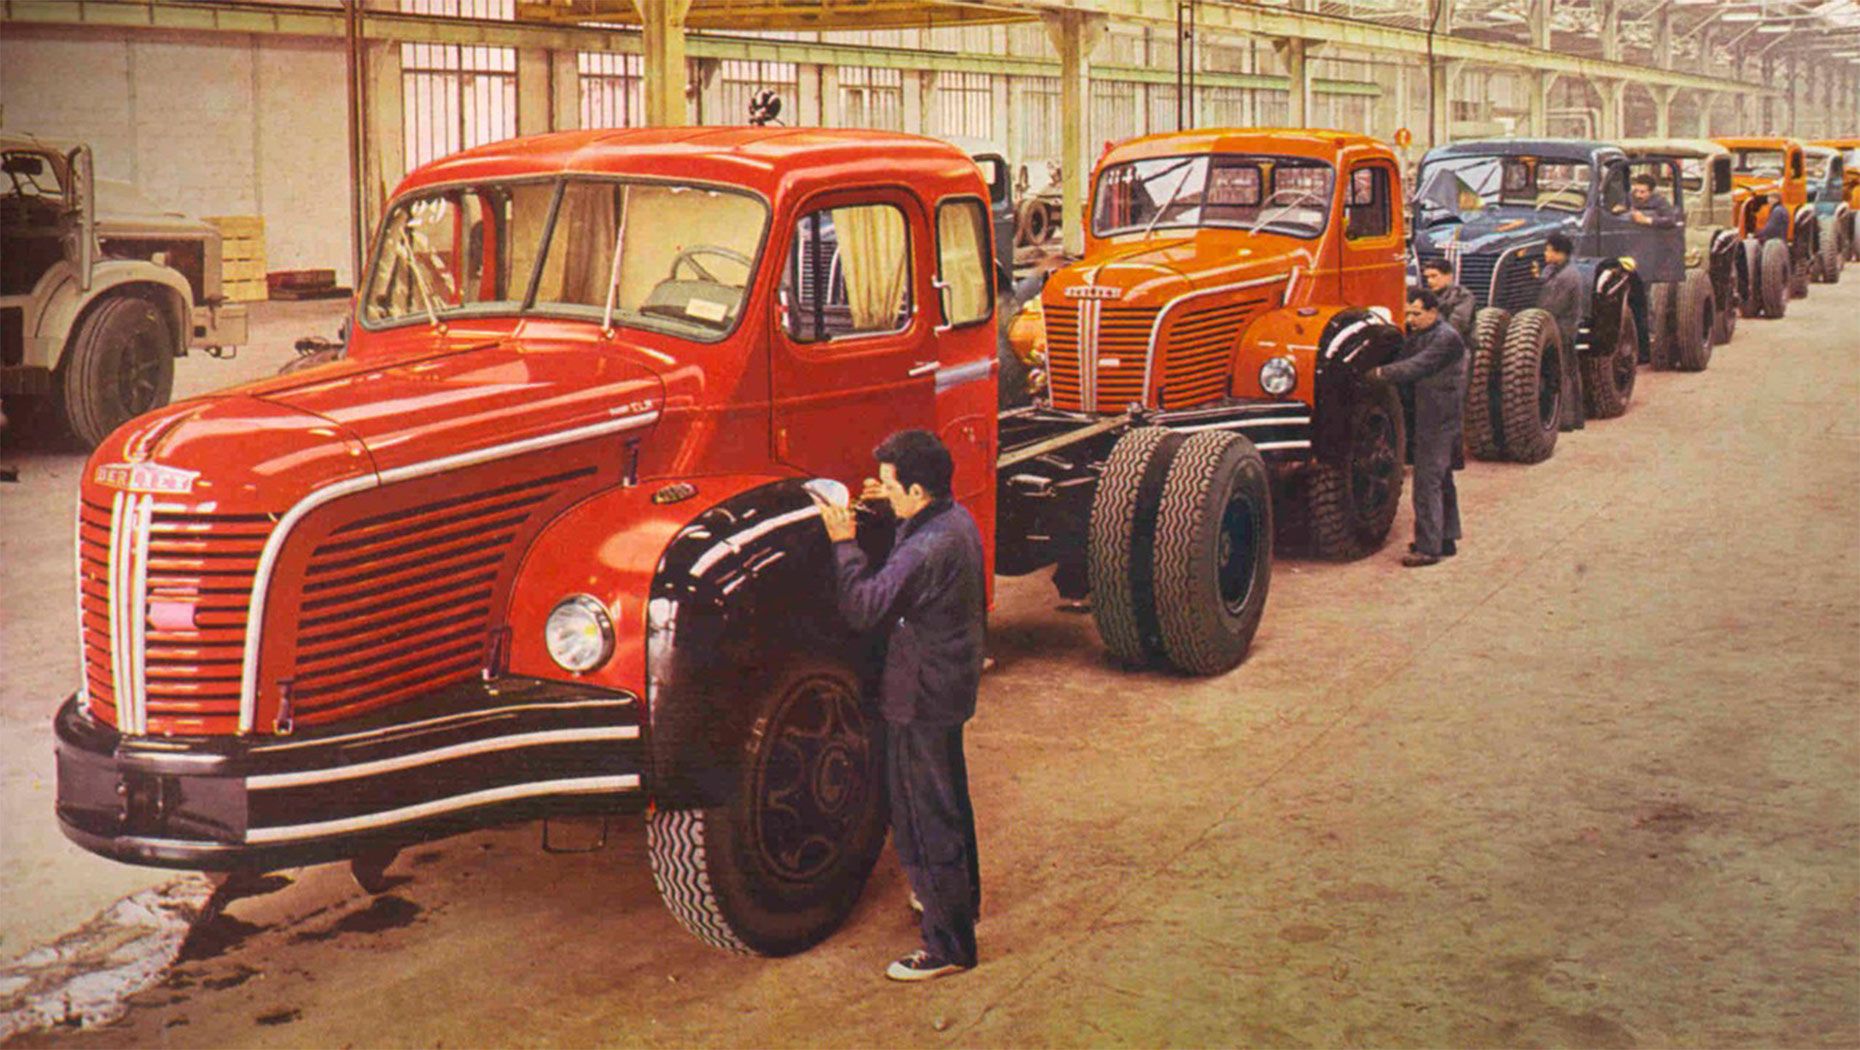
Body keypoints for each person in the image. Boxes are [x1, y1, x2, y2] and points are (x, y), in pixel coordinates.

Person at [813, 429, 985, 983]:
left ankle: (948, 944)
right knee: (949, 801)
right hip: (948, 687)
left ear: (917, 487)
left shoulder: (923, 550)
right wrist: (888, 500)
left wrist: (843, 541)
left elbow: (864, 606)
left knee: (920, 815)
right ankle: (960, 903)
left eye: (890, 484)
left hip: (918, 697)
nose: (883, 490)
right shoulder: (953, 520)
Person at [1371, 287, 1467, 567]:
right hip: (1433, 417)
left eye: (1416, 313)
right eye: (1407, 313)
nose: (1410, 319)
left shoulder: (1446, 338)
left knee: (1427, 483)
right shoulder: (1423, 334)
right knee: (1443, 480)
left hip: (1439, 420)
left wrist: (1378, 374)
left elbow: (1415, 366)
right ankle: (1445, 539)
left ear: (1433, 312)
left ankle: (1428, 549)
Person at [1536, 231, 1586, 431]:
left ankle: (1567, 420)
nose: (1545, 254)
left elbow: (1552, 305)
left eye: (1548, 250)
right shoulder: (1557, 270)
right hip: (1560, 327)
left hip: (1563, 329)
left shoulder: (1568, 276)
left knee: (1563, 373)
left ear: (1560, 253)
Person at [1420, 258, 1476, 343]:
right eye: (1427, 277)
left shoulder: (1462, 296)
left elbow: (1456, 325)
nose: (1429, 281)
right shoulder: (1426, 296)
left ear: (1449, 276)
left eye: (1434, 276)